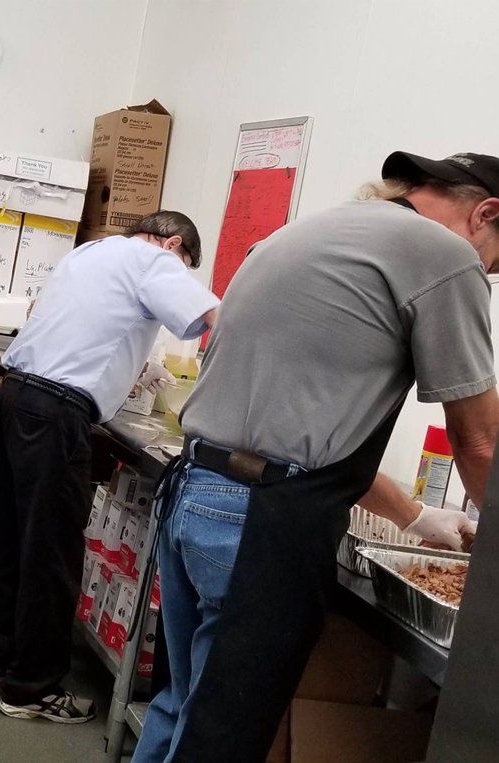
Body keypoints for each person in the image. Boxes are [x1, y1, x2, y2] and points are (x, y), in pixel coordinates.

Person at [133, 151, 499, 762]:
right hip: (257, 521)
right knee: (222, 736)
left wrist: (412, 516)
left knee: (185, 705)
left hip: (196, 493)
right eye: (497, 261)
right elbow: (480, 439)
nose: (486, 273)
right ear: (487, 213)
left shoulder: (312, 231)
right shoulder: (445, 254)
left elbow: (309, 433)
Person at [0, 211, 220, 723]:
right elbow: (216, 320)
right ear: (173, 244)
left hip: (16, 397)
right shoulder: (154, 258)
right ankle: (31, 690)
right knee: (51, 554)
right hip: (57, 415)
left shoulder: (90, 253)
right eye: (187, 265)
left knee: (8, 538)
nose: (182, 274)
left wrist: (133, 364)